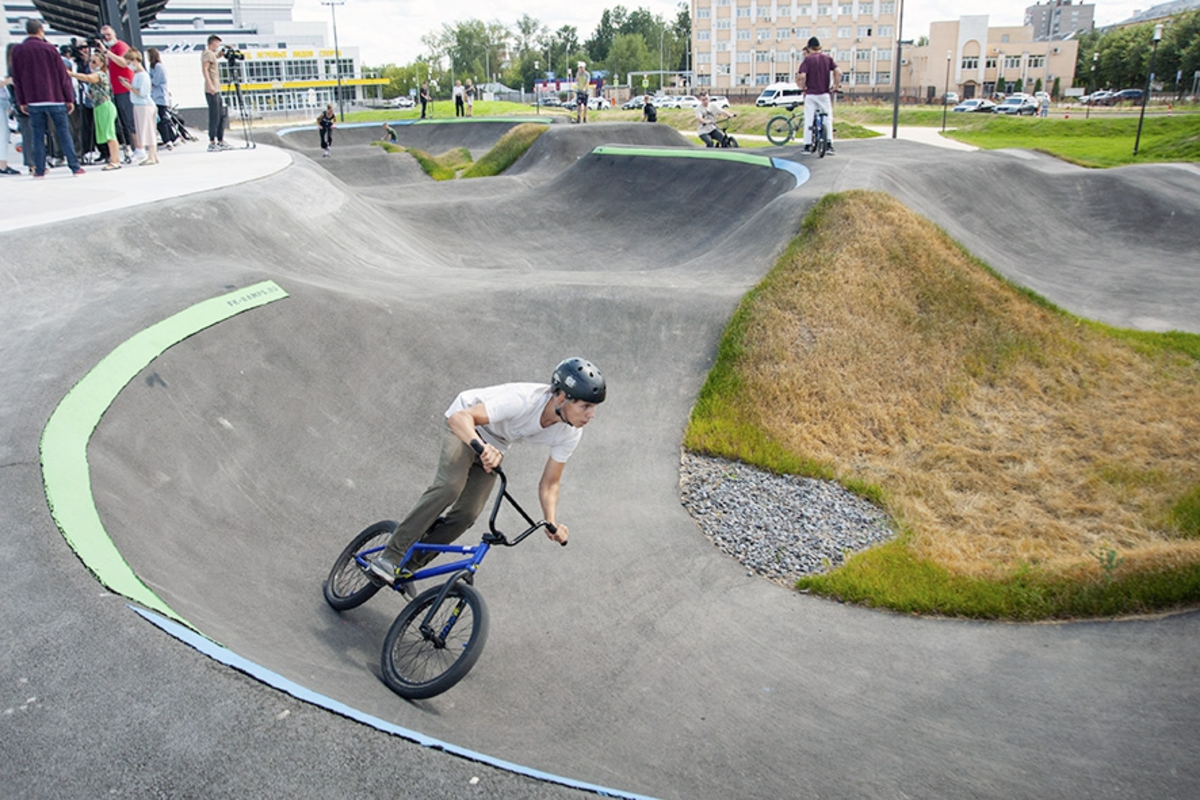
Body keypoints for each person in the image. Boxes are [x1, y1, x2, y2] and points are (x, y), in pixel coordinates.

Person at [368, 358, 607, 585]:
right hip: (467, 426)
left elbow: (550, 483)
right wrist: (480, 447)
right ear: (563, 398)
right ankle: (390, 556)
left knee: (468, 514)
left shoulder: (571, 432)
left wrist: (551, 522)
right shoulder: (523, 400)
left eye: (593, 408)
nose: (591, 415)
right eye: (586, 406)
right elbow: (460, 418)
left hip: (496, 445)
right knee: (449, 488)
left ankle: (408, 566)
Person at [9, 19, 85, 177]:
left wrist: (21, 101)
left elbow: (17, 78)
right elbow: (62, 76)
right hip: (54, 97)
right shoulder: (50, 49)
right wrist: (68, 98)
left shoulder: (18, 51)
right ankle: (74, 166)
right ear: (40, 31)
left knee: (37, 134)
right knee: (64, 132)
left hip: (33, 99)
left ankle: (39, 169)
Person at [69, 51, 121, 170]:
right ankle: (113, 159)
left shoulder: (100, 74)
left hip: (105, 106)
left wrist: (71, 74)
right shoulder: (98, 75)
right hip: (98, 106)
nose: (91, 64)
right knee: (107, 134)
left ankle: (115, 160)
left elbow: (87, 78)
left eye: (94, 62)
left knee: (110, 134)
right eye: (90, 61)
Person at [98, 24, 140, 161]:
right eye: (104, 36)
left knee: (131, 120)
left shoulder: (120, 46)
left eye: (108, 35)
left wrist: (107, 52)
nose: (106, 38)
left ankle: (139, 148)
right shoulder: (111, 49)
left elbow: (123, 63)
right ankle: (135, 147)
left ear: (114, 34)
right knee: (126, 122)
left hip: (125, 89)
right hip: (117, 90)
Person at [796, 36, 841, 154]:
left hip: (811, 94)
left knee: (809, 119)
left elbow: (802, 76)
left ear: (810, 49)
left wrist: (803, 87)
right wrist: (835, 85)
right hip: (824, 93)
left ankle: (807, 145)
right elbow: (838, 71)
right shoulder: (828, 59)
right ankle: (829, 145)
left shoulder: (808, 60)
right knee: (827, 119)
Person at [119, 49, 158, 165]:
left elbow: (143, 93)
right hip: (139, 105)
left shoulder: (143, 75)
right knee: (145, 131)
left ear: (135, 60)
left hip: (145, 105)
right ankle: (153, 155)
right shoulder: (137, 75)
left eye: (129, 62)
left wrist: (129, 87)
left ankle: (152, 155)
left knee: (149, 131)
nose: (129, 66)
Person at [201, 35, 231, 152]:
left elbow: (216, 57)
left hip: (216, 88)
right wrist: (210, 85)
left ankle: (220, 139)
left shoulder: (212, 54)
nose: (218, 46)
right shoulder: (207, 54)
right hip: (211, 89)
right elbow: (205, 69)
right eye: (217, 44)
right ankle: (212, 141)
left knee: (220, 114)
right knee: (214, 115)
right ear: (213, 43)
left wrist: (223, 52)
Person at [147, 48, 176, 150]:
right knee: (160, 119)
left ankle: (168, 138)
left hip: (160, 96)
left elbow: (155, 81)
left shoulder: (159, 67)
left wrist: (149, 81)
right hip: (154, 96)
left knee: (162, 119)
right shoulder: (152, 67)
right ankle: (171, 137)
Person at [1, 44, 19, 175]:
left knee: (4, 134)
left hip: (4, 102)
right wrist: (7, 82)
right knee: (2, 134)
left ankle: (3, 163)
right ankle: (2, 165)